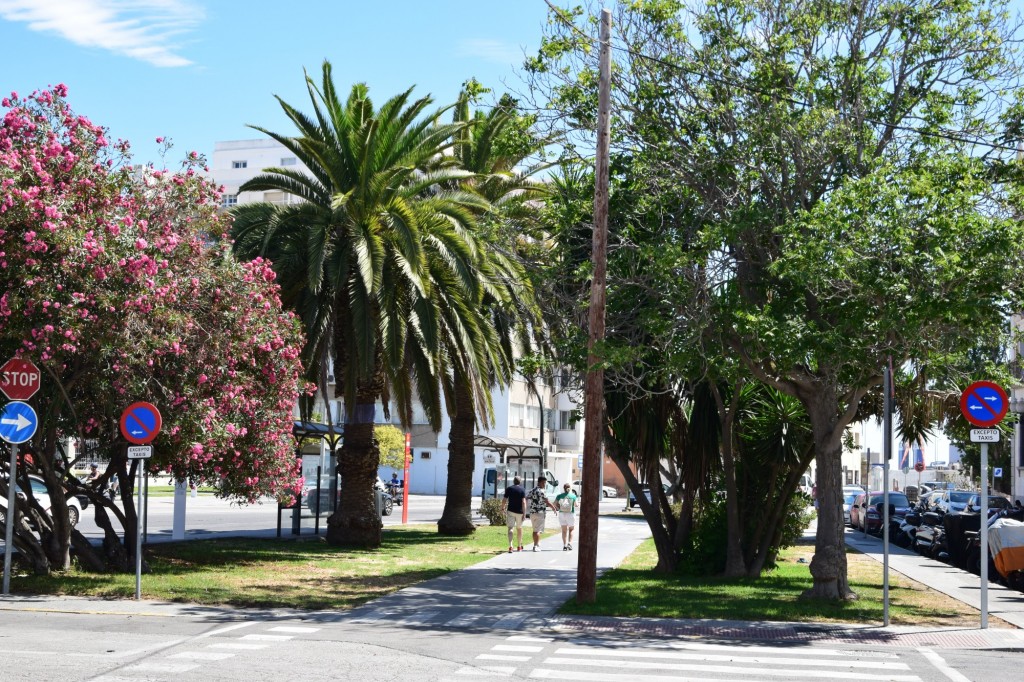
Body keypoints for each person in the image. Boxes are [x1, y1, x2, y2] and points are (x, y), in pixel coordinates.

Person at [526, 475, 558, 552]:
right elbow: (547, 501)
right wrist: (553, 508)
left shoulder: (533, 490)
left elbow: (527, 497)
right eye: (543, 483)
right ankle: (535, 546)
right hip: (540, 512)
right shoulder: (542, 491)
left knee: (535, 530)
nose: (544, 484)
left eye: (545, 483)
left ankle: (536, 543)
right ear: (539, 482)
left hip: (532, 512)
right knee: (537, 530)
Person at [501, 476, 527, 553]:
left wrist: (502, 508)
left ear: (513, 481)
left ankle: (510, 546)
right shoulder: (522, 489)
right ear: (520, 482)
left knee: (510, 528)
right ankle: (519, 546)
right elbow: (524, 502)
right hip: (519, 512)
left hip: (511, 511)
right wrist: (524, 513)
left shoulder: (509, 489)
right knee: (519, 528)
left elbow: (504, 500)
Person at [554, 482, 578, 551]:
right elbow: (576, 505)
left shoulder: (559, 496)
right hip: (570, 514)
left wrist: (559, 508)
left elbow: (554, 503)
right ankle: (569, 543)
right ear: (570, 488)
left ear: (563, 488)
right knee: (571, 529)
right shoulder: (573, 496)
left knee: (564, 530)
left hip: (562, 514)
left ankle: (564, 545)